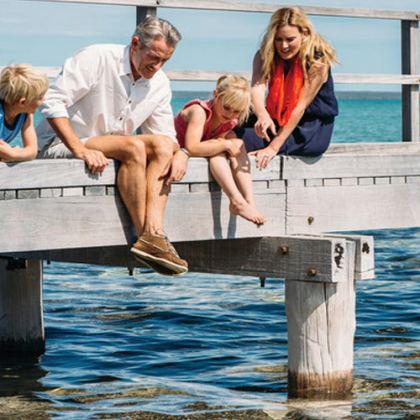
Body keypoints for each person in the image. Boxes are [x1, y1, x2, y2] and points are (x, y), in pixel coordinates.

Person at [36, 16, 189, 276]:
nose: (158, 65)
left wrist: (182, 153)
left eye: (165, 60)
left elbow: (165, 136)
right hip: (62, 143)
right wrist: (79, 150)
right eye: (154, 56)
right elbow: (52, 101)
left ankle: (154, 233)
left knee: (163, 146)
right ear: (135, 43)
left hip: (112, 146)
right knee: (133, 147)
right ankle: (148, 237)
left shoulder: (160, 82)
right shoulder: (97, 57)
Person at [238, 6, 339, 169]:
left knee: (238, 140)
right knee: (231, 120)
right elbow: (257, 86)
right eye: (278, 39)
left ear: (304, 34)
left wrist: (272, 148)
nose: (283, 46)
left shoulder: (317, 61)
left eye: (290, 39)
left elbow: (300, 107)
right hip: (277, 116)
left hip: (309, 127)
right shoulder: (264, 55)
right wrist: (262, 115)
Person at [174, 75, 266, 226]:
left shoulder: (230, 120)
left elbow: (217, 141)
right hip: (179, 150)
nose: (230, 114)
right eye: (227, 107)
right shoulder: (199, 111)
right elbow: (192, 147)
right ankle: (236, 200)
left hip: (200, 150)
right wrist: (225, 145)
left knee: (238, 143)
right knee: (223, 147)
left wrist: (228, 144)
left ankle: (249, 200)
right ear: (216, 94)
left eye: (237, 111)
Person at [0, 64, 48, 162]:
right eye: (40, 97)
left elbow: (32, 151)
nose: (44, 99)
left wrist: (13, 155)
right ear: (23, 102)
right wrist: (16, 153)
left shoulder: (26, 114)